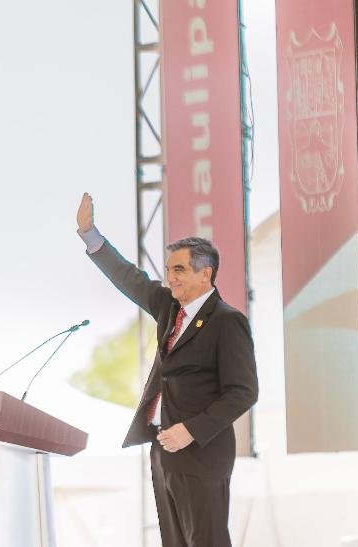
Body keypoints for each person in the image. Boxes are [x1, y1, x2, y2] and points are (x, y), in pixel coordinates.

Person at [76, 193, 258, 546]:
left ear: (205, 274)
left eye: (179, 270)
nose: (170, 277)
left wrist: (190, 430)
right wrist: (90, 234)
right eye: (169, 269)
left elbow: (243, 392)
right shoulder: (168, 306)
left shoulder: (226, 321)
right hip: (163, 450)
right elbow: (130, 278)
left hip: (200, 451)